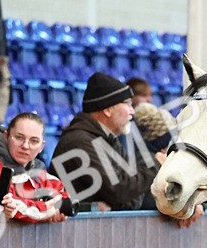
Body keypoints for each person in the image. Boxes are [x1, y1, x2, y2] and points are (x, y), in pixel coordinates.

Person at [49, 73, 163, 212]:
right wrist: (155, 166)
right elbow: (120, 191)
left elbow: (131, 197)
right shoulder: (79, 142)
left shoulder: (109, 139)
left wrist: (118, 201)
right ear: (108, 110)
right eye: (127, 104)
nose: (132, 111)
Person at [0, 112, 71, 223]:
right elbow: (8, 204)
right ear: (6, 136)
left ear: (42, 147)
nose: (25, 146)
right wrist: (47, 211)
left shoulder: (37, 169)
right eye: (19, 137)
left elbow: (63, 197)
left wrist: (57, 211)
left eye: (34, 141)